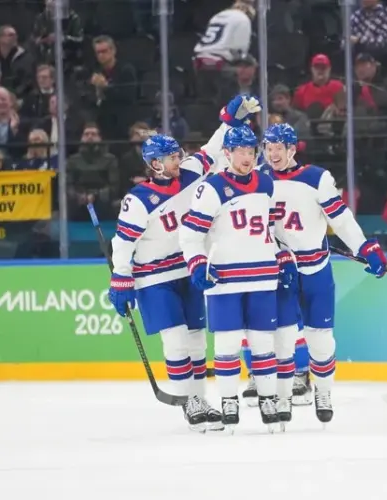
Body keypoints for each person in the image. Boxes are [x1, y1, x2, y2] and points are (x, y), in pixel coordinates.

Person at [258, 122, 387, 425]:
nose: (273, 153)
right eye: (269, 147)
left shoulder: (318, 178)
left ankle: (324, 391)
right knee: (284, 338)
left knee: (321, 340)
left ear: (292, 149)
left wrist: (364, 246)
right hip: (281, 271)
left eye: (279, 147)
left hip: (316, 271)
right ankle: (284, 396)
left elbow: (341, 220)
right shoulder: (258, 182)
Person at [179, 124, 292, 433]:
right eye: (240, 151)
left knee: (262, 343)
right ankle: (229, 399)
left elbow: (270, 228)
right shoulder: (211, 187)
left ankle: (267, 397)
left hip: (262, 276)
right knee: (227, 344)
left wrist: (282, 254)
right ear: (226, 153)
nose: (246, 157)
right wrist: (198, 263)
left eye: (251, 151)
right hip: (224, 279)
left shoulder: (266, 183)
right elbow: (189, 234)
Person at [108, 134, 223, 432]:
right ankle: (188, 402)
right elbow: (122, 242)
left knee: (197, 339)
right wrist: (121, 276)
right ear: (156, 163)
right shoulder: (138, 199)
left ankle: (199, 398)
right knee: (175, 339)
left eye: (178, 153)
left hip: (188, 271)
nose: (179, 159)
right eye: (172, 156)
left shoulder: (191, 174)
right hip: (154, 278)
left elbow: (211, 150)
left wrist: (229, 122)